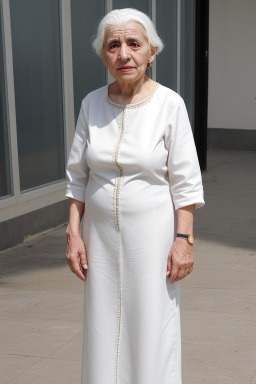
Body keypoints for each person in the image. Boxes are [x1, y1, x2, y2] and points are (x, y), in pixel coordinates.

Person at [65, 8, 205, 384]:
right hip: (99, 242)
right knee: (102, 325)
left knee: (151, 324)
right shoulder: (91, 104)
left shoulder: (169, 104)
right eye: (114, 45)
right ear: (103, 55)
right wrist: (74, 234)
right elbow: (77, 178)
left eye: (133, 43)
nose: (123, 54)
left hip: (153, 240)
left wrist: (183, 240)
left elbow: (186, 182)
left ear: (151, 51)